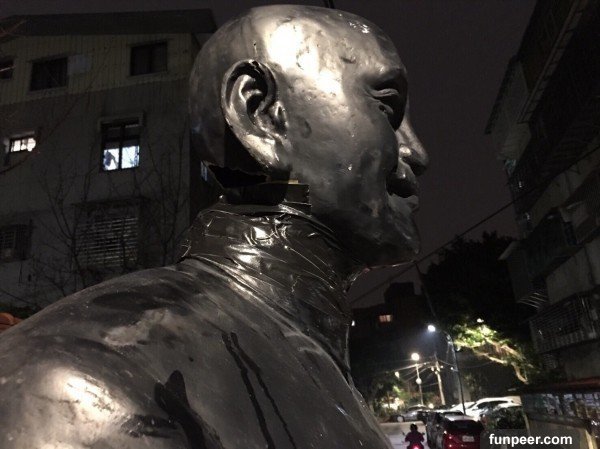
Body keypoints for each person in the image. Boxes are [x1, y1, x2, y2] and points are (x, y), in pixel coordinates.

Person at [0, 5, 428, 448]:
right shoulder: (85, 389)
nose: (417, 153)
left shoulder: (312, 361)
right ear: (261, 114)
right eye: (386, 108)